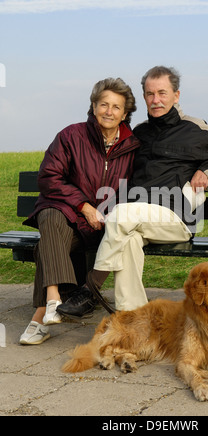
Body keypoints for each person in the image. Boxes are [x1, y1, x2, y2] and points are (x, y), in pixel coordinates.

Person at [59, 65, 208, 316]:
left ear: (176, 96)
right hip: (137, 218)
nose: (155, 100)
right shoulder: (140, 133)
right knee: (129, 242)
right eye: (149, 94)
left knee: (121, 216)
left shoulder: (195, 129)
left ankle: (90, 289)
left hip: (176, 217)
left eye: (162, 93)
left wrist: (206, 170)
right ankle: (132, 319)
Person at [19, 77, 140, 345]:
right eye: (103, 104)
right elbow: (49, 177)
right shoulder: (71, 135)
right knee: (49, 215)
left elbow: (136, 189)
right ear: (93, 106)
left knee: (45, 247)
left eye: (116, 107)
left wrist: (109, 215)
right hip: (69, 218)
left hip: (107, 225)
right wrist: (85, 207)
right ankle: (53, 300)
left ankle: (41, 318)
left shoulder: (134, 147)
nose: (108, 111)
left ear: (125, 113)